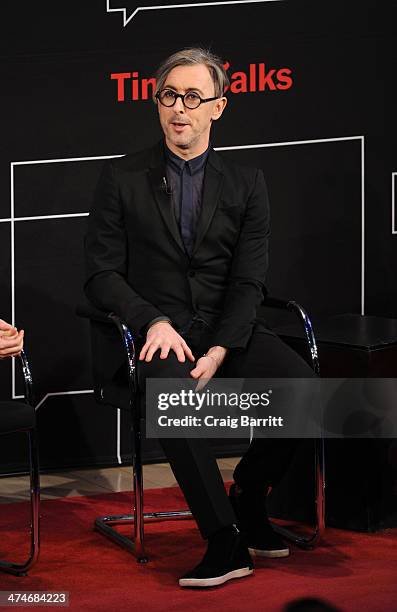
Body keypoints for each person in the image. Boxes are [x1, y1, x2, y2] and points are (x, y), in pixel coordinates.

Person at [84, 47, 313, 588]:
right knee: (175, 397)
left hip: (224, 333)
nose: (178, 109)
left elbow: (249, 281)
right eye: (168, 96)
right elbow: (100, 275)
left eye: (192, 97)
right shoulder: (121, 180)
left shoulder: (247, 182)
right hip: (155, 339)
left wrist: (221, 348)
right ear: (157, 103)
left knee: (304, 389)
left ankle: (250, 496)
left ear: (218, 106)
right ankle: (224, 539)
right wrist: (150, 321)